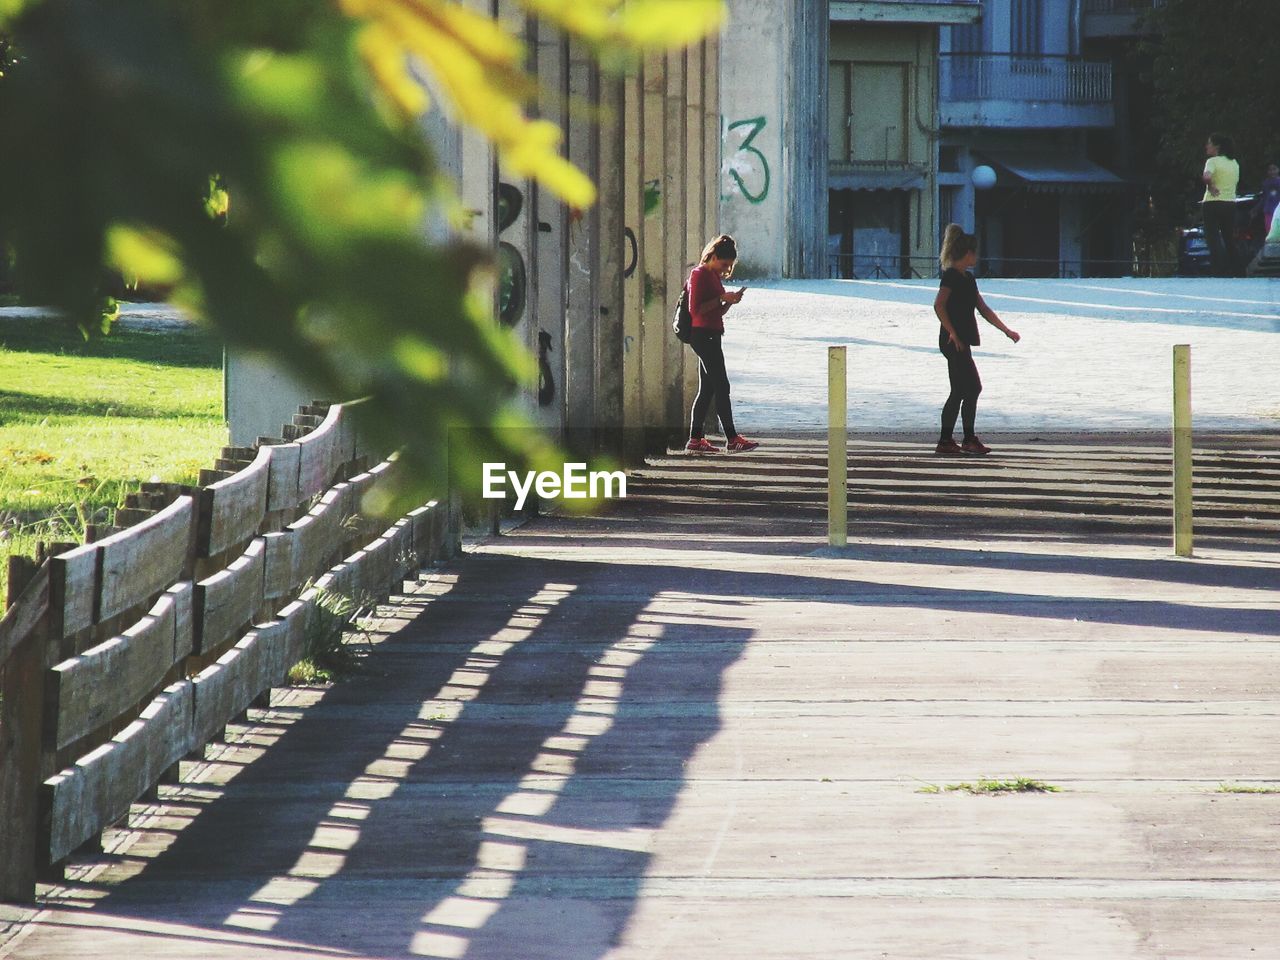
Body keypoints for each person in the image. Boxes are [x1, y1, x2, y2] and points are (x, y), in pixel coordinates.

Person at [932, 224, 1020, 456]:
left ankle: (949, 440)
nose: (977, 256)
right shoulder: (950, 276)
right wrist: (951, 331)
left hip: (963, 340)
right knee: (970, 388)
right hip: (953, 341)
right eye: (974, 252)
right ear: (967, 253)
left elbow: (983, 308)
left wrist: (1006, 330)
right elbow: (939, 305)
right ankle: (963, 439)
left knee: (962, 389)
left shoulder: (968, 279)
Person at [684, 235, 759, 453]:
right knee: (722, 386)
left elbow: (716, 308)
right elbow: (695, 309)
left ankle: (695, 439)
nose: (726, 269)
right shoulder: (699, 274)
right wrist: (721, 299)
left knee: (707, 389)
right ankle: (732, 438)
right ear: (714, 257)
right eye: (724, 264)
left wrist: (729, 301)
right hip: (703, 335)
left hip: (711, 334)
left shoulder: (713, 276)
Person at [1201, 133, 1241, 277]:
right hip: (1230, 203)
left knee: (1213, 238)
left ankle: (1219, 271)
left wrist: (1210, 186)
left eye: (1209, 143)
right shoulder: (1234, 163)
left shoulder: (1212, 161)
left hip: (1212, 203)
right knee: (1229, 238)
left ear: (1216, 146)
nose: (1206, 146)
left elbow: (1206, 177)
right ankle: (1238, 270)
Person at [1258, 161, 1280, 235]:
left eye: (1274, 169)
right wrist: (1255, 209)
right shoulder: (1265, 183)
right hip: (1269, 212)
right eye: (1270, 170)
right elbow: (1264, 198)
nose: (1272, 171)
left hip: (1278, 212)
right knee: (1270, 233)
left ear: (1278, 169)